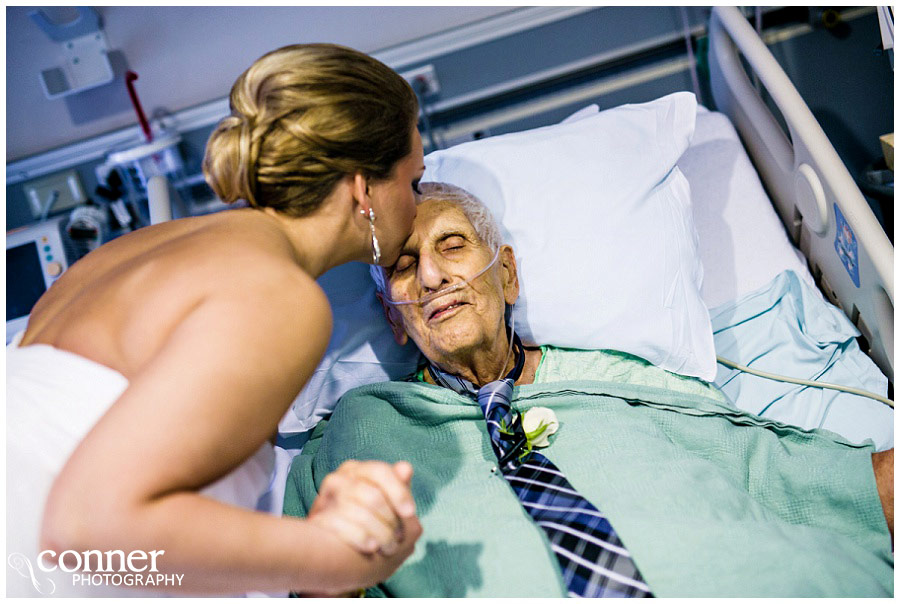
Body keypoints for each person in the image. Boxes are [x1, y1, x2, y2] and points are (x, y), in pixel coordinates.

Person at [284, 182, 894, 597]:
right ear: (394, 316)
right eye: (404, 264)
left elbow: (765, 468)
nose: (434, 275)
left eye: (452, 246)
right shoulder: (363, 427)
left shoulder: (619, 379)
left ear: (509, 275)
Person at [7, 44, 425, 597]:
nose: (417, 206)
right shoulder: (279, 296)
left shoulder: (134, 248)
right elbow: (87, 530)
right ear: (361, 187)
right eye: (413, 183)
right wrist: (341, 561)